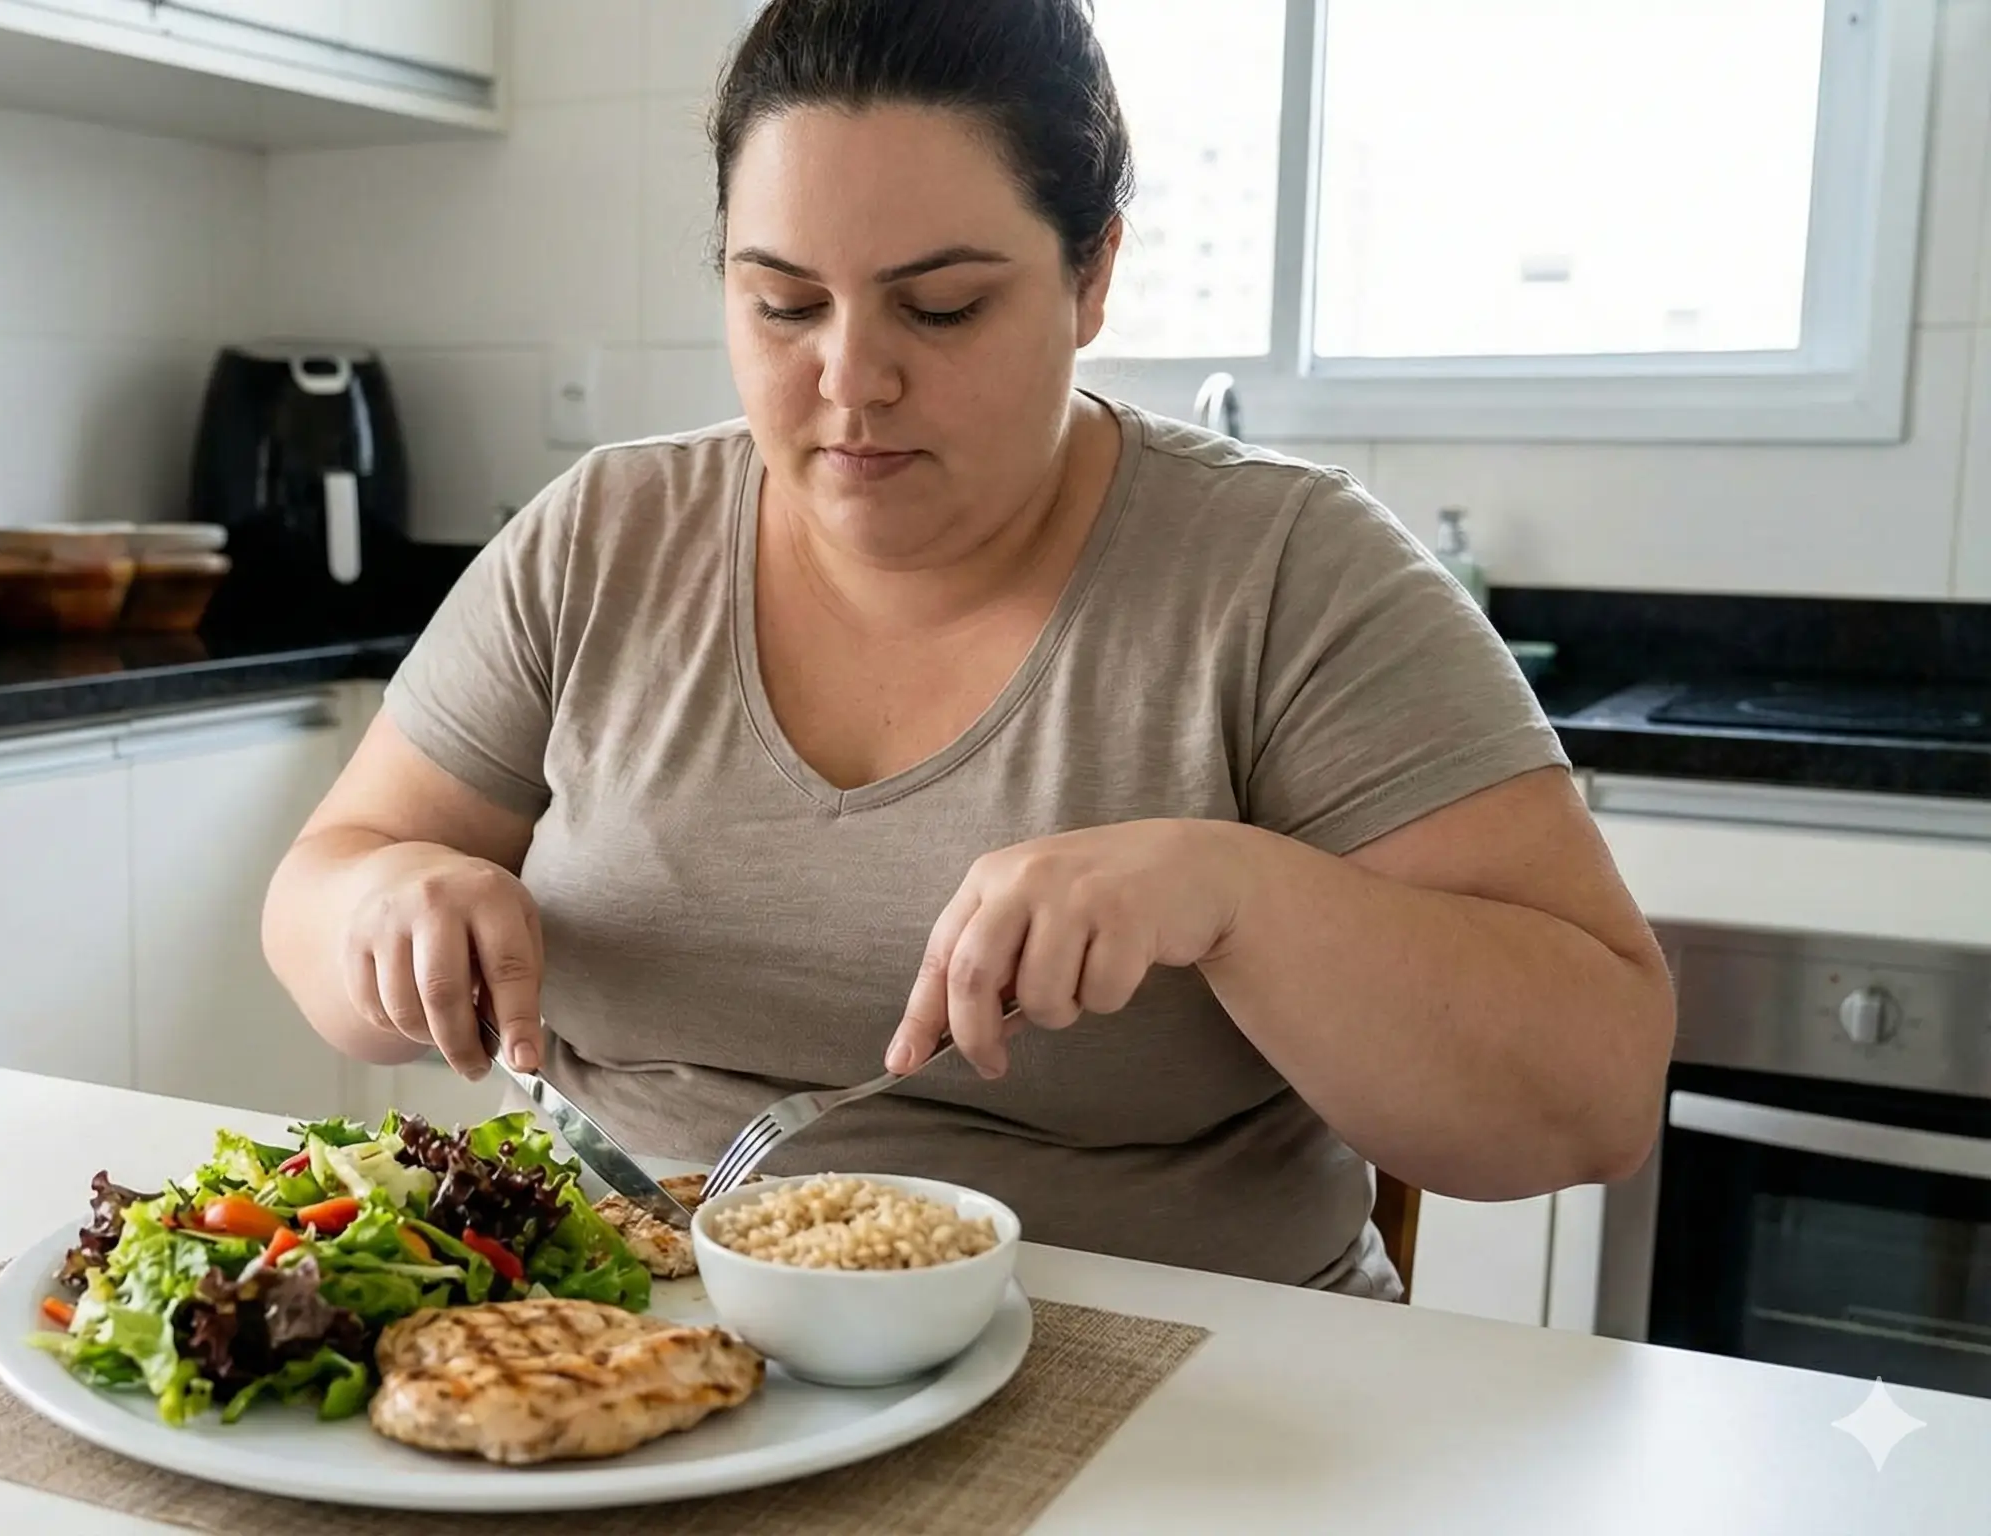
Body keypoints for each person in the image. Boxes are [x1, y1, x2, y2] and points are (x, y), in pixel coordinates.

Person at [262, 0, 1672, 1299]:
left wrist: (1238, 893)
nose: (851, 379)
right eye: (783, 303)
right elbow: (322, 890)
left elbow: (1594, 1098)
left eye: (942, 307)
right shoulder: (605, 538)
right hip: (621, 1359)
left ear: (1094, 274)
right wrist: (384, 907)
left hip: (1188, 1395)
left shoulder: (1288, 575)